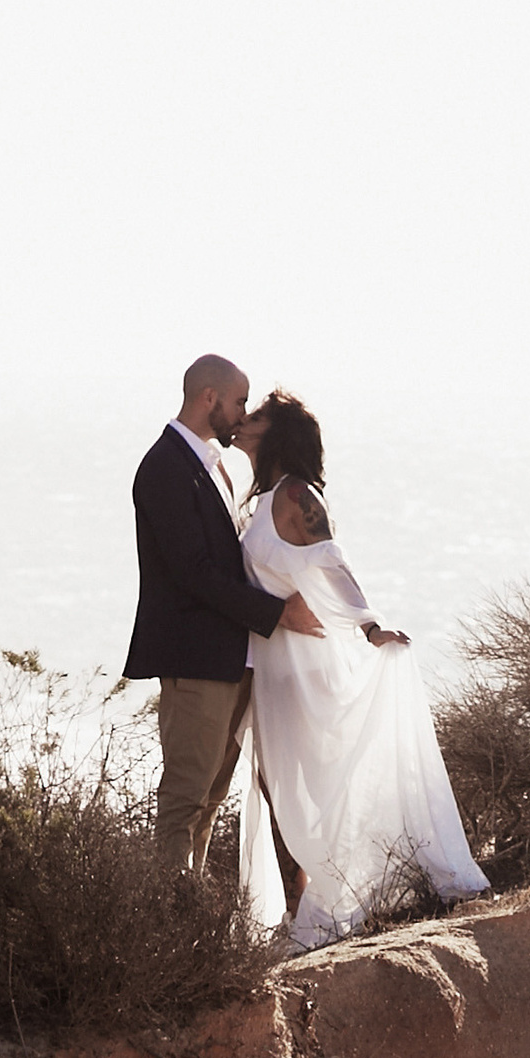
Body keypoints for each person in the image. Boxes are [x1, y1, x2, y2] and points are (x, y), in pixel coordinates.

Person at [233, 392, 487, 948]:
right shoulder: (259, 502)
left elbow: (333, 561)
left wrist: (371, 626)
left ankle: (322, 902)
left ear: (277, 434)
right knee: (279, 787)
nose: (242, 422)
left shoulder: (298, 495)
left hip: (306, 665)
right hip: (273, 667)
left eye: (255, 417)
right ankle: (308, 902)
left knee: (309, 785)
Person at [125, 354, 322, 876]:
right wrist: (276, 614)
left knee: (210, 801)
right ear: (208, 397)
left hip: (231, 661)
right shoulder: (164, 467)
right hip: (195, 664)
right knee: (185, 799)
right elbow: (194, 572)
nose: (241, 415)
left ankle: (191, 930)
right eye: (238, 402)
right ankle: (166, 920)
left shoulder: (212, 466)